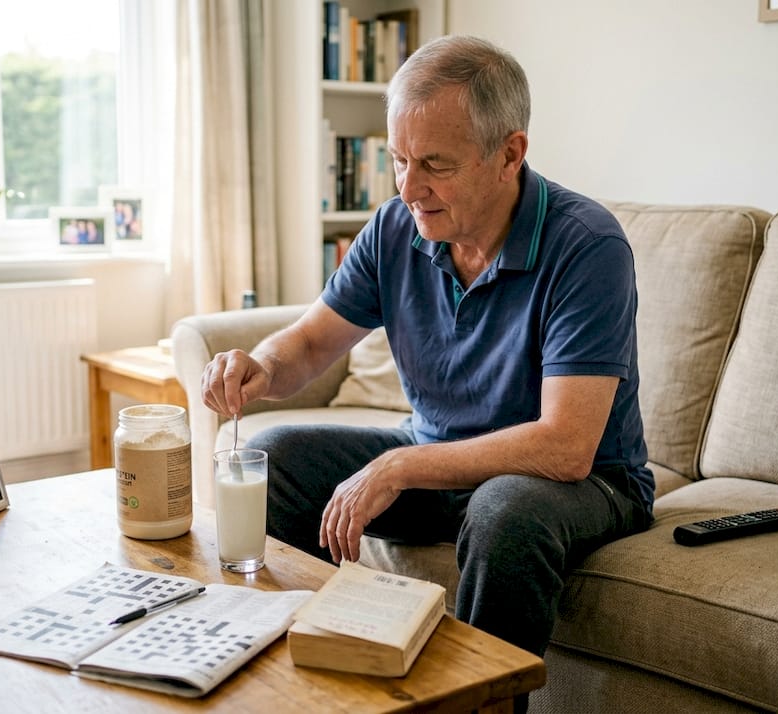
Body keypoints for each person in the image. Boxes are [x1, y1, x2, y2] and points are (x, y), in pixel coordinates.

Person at [199, 35, 653, 702]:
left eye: (435, 164)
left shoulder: (587, 246)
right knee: (274, 458)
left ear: (509, 154)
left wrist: (398, 466)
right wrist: (257, 367)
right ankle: (308, 688)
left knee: (506, 510)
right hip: (440, 455)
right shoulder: (394, 230)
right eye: (399, 161)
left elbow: (566, 446)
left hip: (581, 484)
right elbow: (308, 346)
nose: (410, 188)